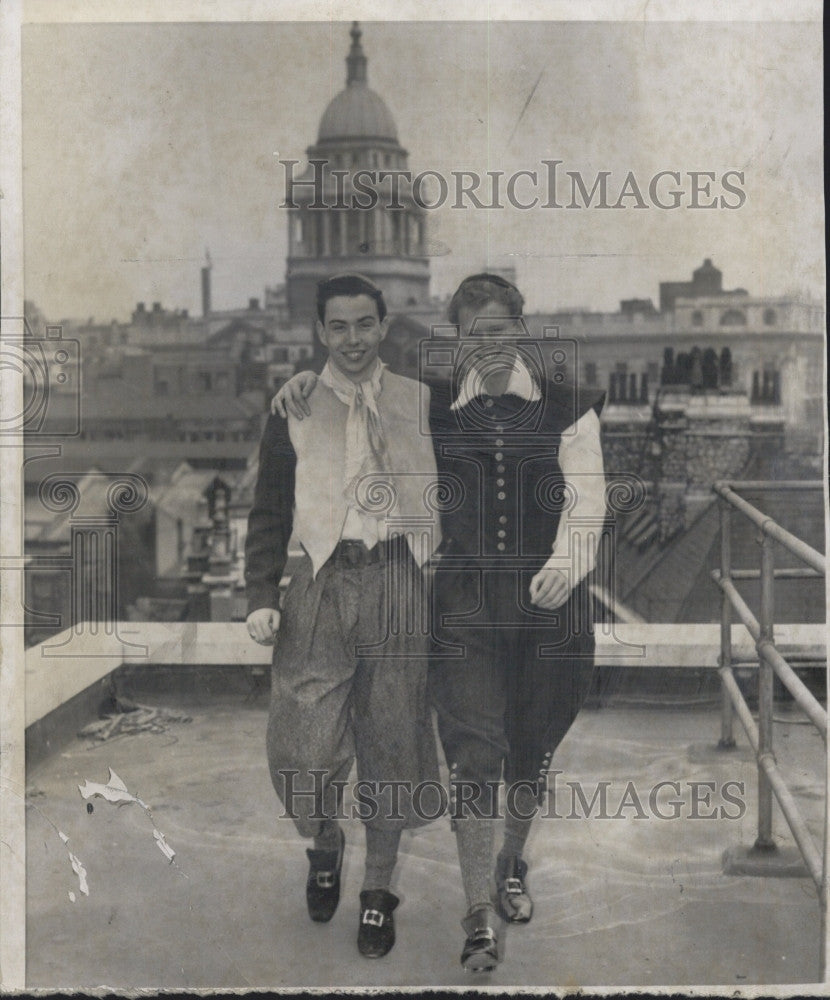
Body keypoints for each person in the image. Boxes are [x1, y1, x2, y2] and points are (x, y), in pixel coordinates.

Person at [273, 272, 606, 973]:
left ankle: (511, 862)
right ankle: (478, 915)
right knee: (473, 755)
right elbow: (356, 391)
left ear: (521, 328)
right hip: (465, 611)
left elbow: (587, 501)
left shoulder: (570, 407)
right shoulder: (435, 408)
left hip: (551, 612)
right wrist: (304, 381)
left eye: (501, 331)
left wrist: (567, 564)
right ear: (454, 340)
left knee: (531, 750)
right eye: (471, 334)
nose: (487, 348)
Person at [245, 273, 441, 960]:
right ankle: (323, 843)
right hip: (320, 582)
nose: (353, 339)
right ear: (321, 333)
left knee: (394, 739)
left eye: (365, 324)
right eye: (339, 327)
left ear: (384, 326)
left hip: (395, 581)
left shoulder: (422, 402)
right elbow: (269, 510)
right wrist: (261, 596)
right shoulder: (293, 406)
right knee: (303, 742)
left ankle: (379, 892)